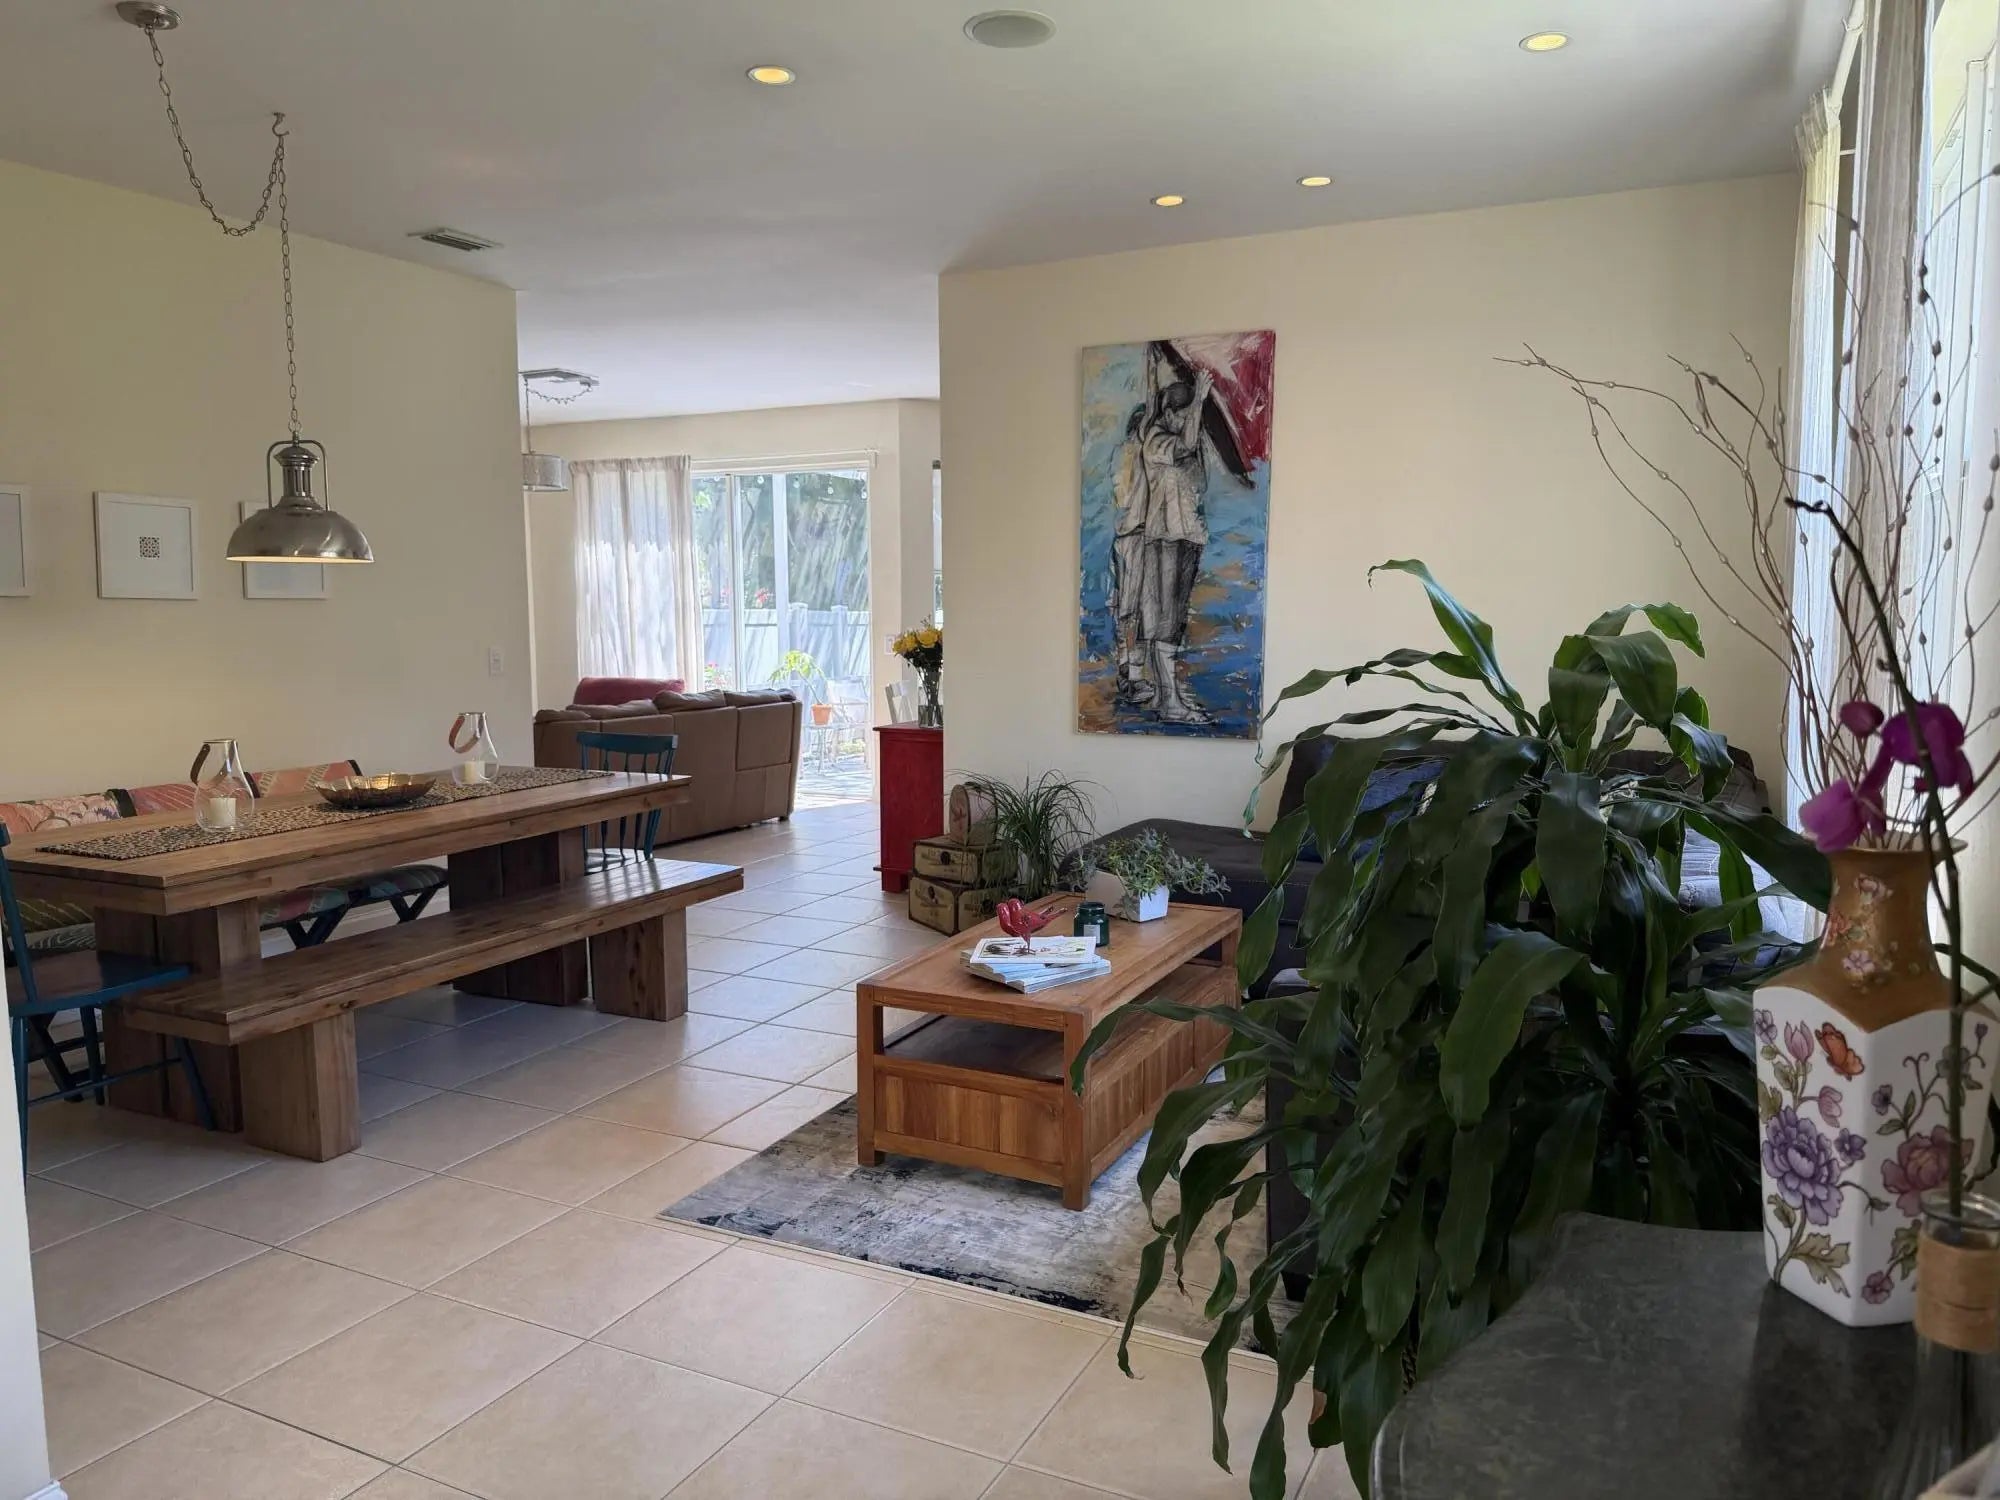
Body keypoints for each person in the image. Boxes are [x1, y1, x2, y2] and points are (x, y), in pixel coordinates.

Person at [1136, 362, 1214, 723]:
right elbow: (1185, 446)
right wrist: (1199, 400)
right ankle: (1170, 701)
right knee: (1166, 617)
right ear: (1169, 413)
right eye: (1184, 414)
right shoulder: (1156, 439)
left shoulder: (1176, 436)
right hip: (1167, 537)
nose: (1189, 420)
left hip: (1183, 535)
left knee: (1171, 617)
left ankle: (1165, 696)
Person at [1109, 405, 1152, 703]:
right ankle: (1133, 678)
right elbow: (1125, 498)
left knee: (1125, 608)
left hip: (1124, 537)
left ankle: (1126, 671)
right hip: (1136, 537)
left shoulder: (1121, 453)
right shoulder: (1136, 454)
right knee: (1136, 610)